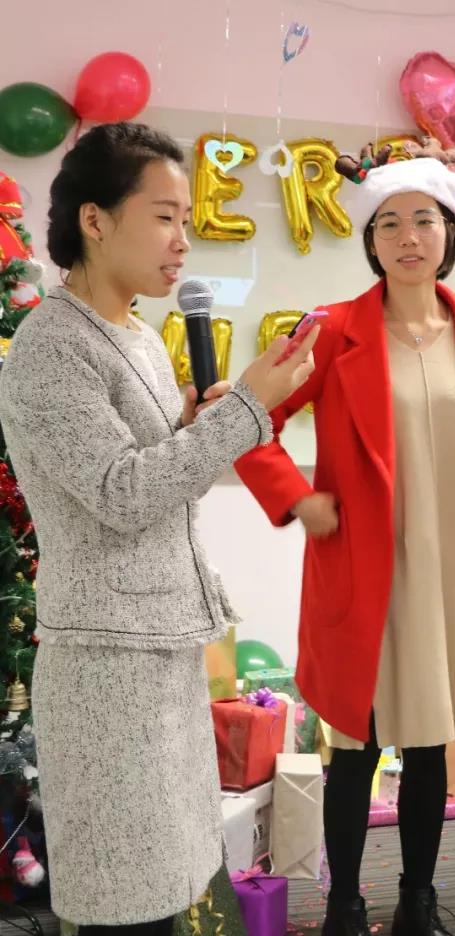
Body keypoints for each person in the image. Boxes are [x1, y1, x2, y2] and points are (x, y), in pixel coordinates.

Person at [0, 122, 317, 933]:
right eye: (165, 216)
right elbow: (121, 493)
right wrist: (245, 410)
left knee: (169, 891)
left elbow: (158, 477)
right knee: (124, 907)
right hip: (106, 667)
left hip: (161, 649)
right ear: (95, 220)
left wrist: (194, 424)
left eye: (188, 220)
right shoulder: (49, 346)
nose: (184, 241)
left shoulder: (137, 336)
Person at [235, 137, 455, 936]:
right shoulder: (334, 330)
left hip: (447, 574)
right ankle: (344, 905)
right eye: (390, 223)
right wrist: (298, 499)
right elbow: (248, 420)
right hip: (365, 570)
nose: (408, 237)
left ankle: (418, 901)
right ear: (369, 240)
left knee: (431, 746)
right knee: (358, 744)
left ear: (449, 232)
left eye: (425, 220)